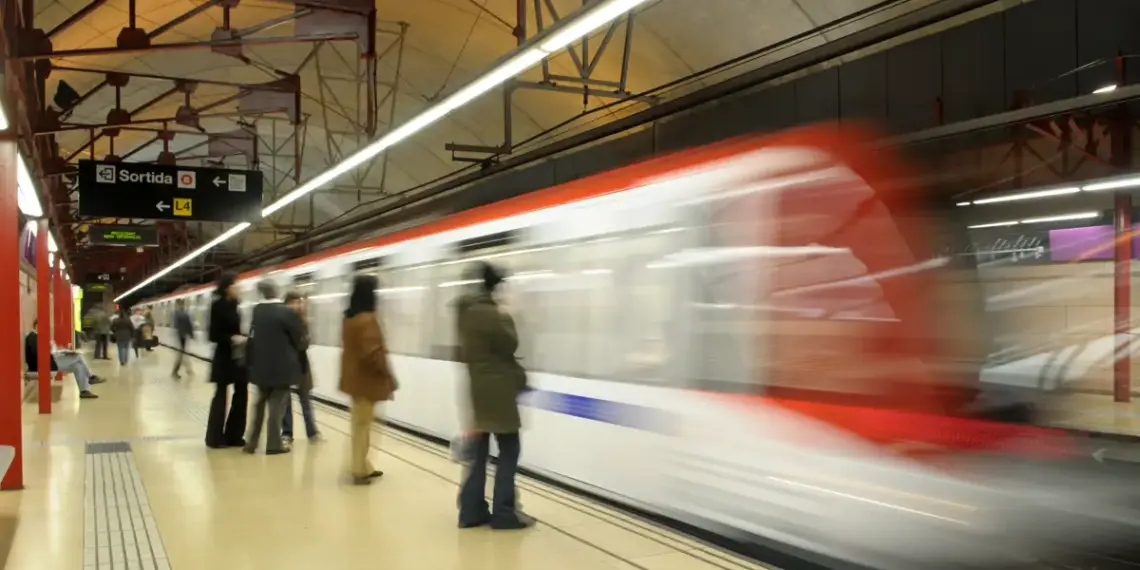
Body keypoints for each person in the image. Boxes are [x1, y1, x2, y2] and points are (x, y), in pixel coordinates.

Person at [456, 262, 534, 530]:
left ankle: (471, 511)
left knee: (478, 454)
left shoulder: (465, 312)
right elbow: (511, 343)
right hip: (499, 392)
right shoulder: (493, 314)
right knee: (510, 449)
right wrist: (507, 314)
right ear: (495, 287)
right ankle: (504, 513)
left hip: (477, 389)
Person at [338, 274, 397, 485]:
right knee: (363, 427)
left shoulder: (349, 318)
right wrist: (387, 374)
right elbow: (373, 353)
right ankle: (358, 470)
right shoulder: (367, 319)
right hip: (366, 381)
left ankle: (364, 465)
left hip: (355, 380)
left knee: (360, 426)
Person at [243, 280, 306, 455]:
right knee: (276, 409)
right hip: (282, 369)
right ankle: (274, 444)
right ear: (276, 291)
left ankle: (251, 443)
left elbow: (252, 337)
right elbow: (299, 339)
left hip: (261, 368)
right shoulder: (287, 312)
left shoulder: (258, 311)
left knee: (259, 406)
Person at [206, 273, 248, 449]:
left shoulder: (235, 305)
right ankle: (215, 438)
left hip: (237, 357)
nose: (239, 288)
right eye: (236, 285)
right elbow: (213, 335)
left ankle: (234, 435)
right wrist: (232, 338)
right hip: (224, 357)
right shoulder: (218, 306)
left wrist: (242, 337)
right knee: (221, 396)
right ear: (227, 287)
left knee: (242, 394)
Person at [25, 320, 103, 399]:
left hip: (49, 362)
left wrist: (59, 351)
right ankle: (91, 376)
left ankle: (84, 391)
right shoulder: (32, 337)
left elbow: (45, 352)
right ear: (37, 326)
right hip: (43, 366)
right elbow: (37, 355)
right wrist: (53, 353)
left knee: (78, 366)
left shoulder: (38, 336)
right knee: (78, 356)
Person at [281, 291, 322, 444]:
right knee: (285, 402)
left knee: (305, 400)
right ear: (287, 304)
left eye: (299, 302)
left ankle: (312, 432)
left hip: (301, 365)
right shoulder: (281, 321)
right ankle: (287, 433)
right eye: (295, 302)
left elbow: (304, 343)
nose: (298, 305)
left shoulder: (302, 321)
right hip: (286, 365)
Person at [172, 299, 194, 379]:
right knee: (182, 354)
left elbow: (176, 325)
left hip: (180, 336)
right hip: (182, 336)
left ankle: (187, 370)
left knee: (182, 354)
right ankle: (177, 371)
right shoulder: (185, 313)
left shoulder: (177, 313)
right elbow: (189, 324)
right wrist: (191, 334)